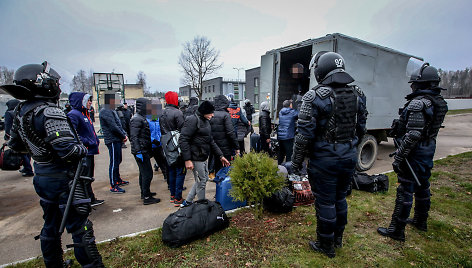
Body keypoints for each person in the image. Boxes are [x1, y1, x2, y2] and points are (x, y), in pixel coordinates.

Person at [1, 61, 104, 267]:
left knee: (51, 224)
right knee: (80, 227)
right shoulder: (50, 111)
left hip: (42, 174)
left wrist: (41, 151)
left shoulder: (22, 111)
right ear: (43, 84)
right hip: (64, 178)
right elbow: (68, 151)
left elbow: (17, 146)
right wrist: (83, 148)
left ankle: (54, 263)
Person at [291, 52, 367, 258]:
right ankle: (338, 239)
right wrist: (349, 147)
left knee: (325, 201)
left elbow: (303, 136)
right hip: (349, 156)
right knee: (340, 198)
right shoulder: (358, 94)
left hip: (324, 160)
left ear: (320, 70)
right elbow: (361, 129)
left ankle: (326, 244)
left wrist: (296, 163)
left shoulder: (314, 97)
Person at [377, 63, 448, 241]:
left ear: (421, 83)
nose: (411, 86)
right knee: (423, 184)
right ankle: (420, 220)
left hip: (415, 151)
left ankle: (397, 230)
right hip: (428, 146)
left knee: (406, 189)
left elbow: (413, 134)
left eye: (413, 83)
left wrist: (399, 155)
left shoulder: (418, 103)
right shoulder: (438, 102)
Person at [180, 101, 230, 207]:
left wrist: (220, 156)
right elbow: (183, 139)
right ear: (204, 112)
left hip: (202, 156)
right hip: (195, 157)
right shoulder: (193, 120)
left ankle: (188, 202)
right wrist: (187, 160)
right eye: (211, 113)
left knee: (202, 179)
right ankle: (202, 205)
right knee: (202, 181)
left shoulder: (206, 121)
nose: (213, 115)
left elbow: (210, 140)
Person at [67, 92, 104, 207]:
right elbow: (73, 134)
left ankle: (90, 198)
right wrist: (89, 142)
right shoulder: (74, 114)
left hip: (89, 151)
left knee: (88, 177)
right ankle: (86, 201)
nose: (89, 103)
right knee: (84, 177)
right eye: (87, 101)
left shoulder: (84, 114)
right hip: (84, 152)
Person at [130, 98, 161, 205]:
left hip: (144, 149)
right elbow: (134, 137)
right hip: (141, 150)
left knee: (143, 173)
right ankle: (147, 197)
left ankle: (145, 193)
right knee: (147, 174)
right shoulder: (136, 119)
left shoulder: (141, 117)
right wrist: (138, 151)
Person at [99, 93, 129, 193]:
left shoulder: (112, 110)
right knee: (114, 162)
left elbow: (118, 124)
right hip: (112, 140)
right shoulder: (105, 111)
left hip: (117, 139)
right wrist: (122, 135)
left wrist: (123, 134)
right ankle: (113, 184)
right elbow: (113, 126)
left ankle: (117, 179)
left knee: (118, 160)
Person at [160, 91, 186, 206]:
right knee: (180, 171)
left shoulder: (161, 112)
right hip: (177, 145)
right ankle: (178, 197)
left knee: (171, 170)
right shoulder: (178, 113)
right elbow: (183, 129)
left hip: (166, 144)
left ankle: (172, 195)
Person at [4, 98, 34, 176]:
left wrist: (7, 136)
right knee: (27, 152)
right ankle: (26, 167)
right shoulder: (21, 112)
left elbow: (7, 125)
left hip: (16, 136)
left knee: (21, 153)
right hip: (25, 134)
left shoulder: (9, 113)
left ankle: (28, 170)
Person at [210, 95, 240, 173]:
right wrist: (236, 147)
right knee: (225, 169)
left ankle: (217, 181)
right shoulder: (226, 115)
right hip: (225, 147)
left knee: (217, 168)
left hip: (214, 147)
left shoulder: (211, 114)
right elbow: (230, 132)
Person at [277, 99, 299, 165]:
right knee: (289, 154)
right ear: (290, 105)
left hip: (280, 136)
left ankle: (279, 167)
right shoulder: (292, 112)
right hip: (288, 136)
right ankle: (288, 169)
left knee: (281, 153)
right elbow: (299, 113)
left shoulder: (281, 112)